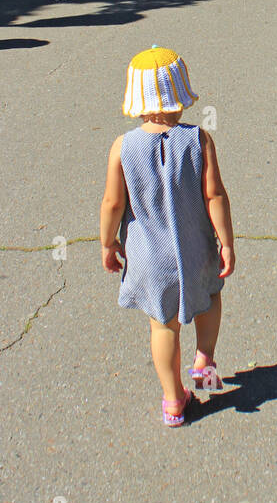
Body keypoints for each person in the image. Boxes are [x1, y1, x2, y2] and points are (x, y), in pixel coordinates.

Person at [100, 46, 236, 426]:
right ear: (180, 95)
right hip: (197, 253)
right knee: (209, 300)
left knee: (163, 327)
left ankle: (174, 401)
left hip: (150, 261)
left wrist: (108, 242)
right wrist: (226, 241)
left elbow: (112, 202)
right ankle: (204, 359)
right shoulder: (199, 140)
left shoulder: (123, 147)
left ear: (137, 99)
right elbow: (215, 195)